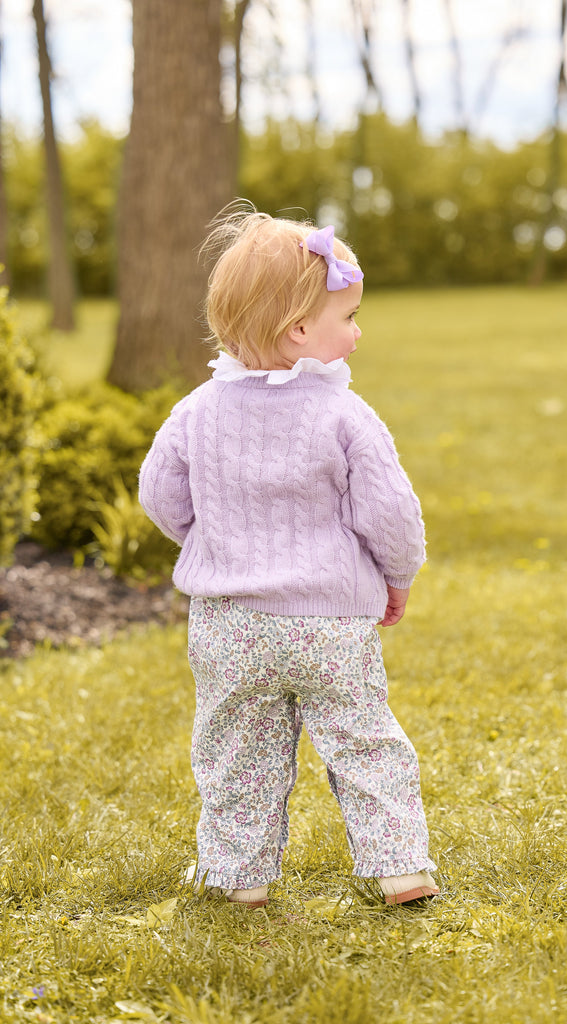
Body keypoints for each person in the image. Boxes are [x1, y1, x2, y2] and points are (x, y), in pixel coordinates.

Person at [138, 206, 438, 908]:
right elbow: (390, 513)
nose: (357, 332)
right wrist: (397, 576)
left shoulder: (195, 411)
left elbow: (158, 492)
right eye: (349, 317)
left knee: (235, 751)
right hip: (326, 622)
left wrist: (212, 541)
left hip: (228, 627)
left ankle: (239, 877)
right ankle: (399, 867)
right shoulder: (344, 416)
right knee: (364, 741)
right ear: (300, 332)